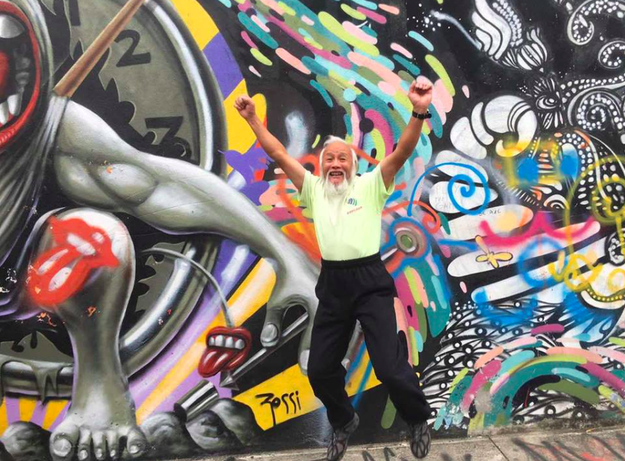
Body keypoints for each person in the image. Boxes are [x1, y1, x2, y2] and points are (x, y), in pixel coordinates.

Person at [235, 76, 434, 460]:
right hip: (334, 285)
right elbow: (278, 153)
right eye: (330, 159)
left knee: (391, 370)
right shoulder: (313, 190)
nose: (336, 163)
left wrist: (419, 109)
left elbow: (404, 151)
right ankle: (343, 421)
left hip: (371, 282)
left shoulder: (372, 185)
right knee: (321, 371)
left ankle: (417, 417)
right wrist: (253, 121)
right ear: (323, 166)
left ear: (354, 165)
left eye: (343, 157)